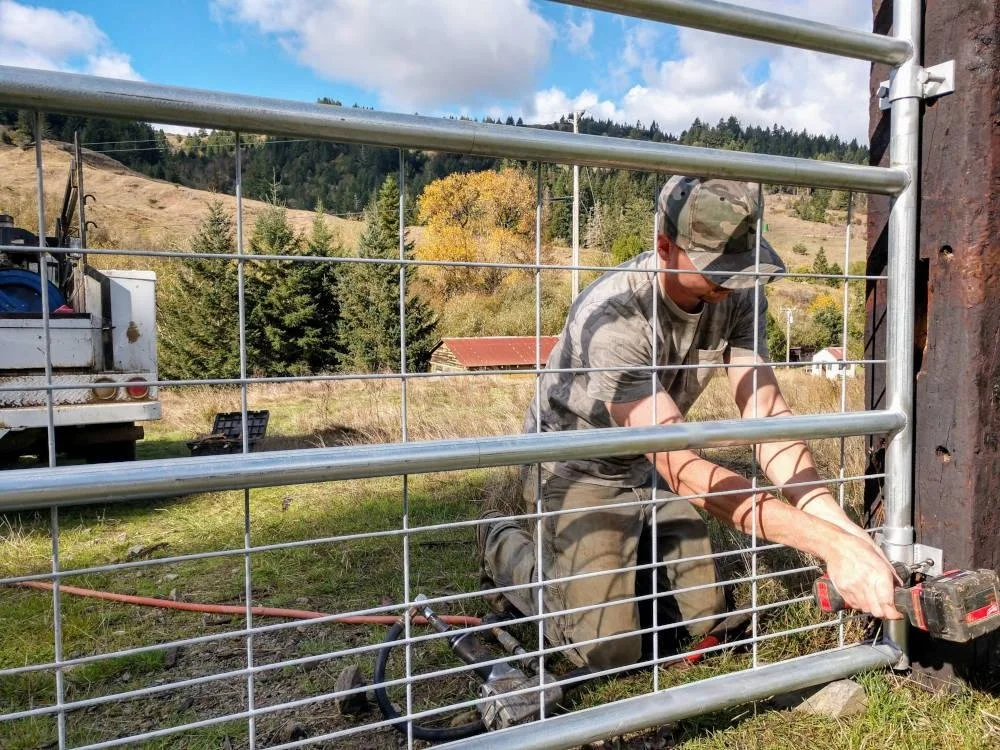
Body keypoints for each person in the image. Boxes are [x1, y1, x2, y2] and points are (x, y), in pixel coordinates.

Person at [477, 175, 902, 673]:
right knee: (607, 653)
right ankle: (501, 543)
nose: (730, 283)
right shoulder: (615, 317)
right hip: (576, 469)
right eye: (715, 269)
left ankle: (615, 567)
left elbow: (768, 419)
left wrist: (842, 530)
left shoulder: (738, 293)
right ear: (664, 245)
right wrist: (826, 545)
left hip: (647, 460)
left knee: (706, 620)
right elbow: (681, 467)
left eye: (739, 267)